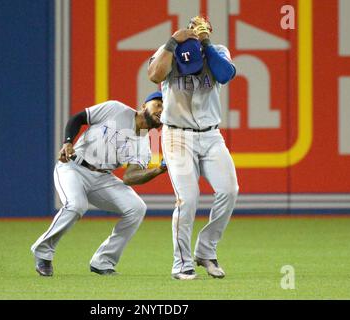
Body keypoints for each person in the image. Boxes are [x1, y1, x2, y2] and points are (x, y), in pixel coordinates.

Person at [31, 92, 166, 276]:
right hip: (73, 166)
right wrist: (67, 142)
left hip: (103, 177)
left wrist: (157, 170)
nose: (161, 110)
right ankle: (43, 252)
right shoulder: (116, 109)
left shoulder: (144, 146)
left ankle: (103, 261)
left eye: (165, 108)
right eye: (158, 104)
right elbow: (78, 118)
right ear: (144, 105)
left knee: (137, 207)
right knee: (76, 205)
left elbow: (129, 177)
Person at [148, 16, 239, 280]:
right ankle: (181, 264)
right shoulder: (170, 51)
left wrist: (206, 42)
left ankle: (206, 251)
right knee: (187, 200)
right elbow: (154, 74)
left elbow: (225, 74)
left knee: (229, 190)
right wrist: (173, 42)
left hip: (211, 135)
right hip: (177, 135)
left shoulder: (217, 51)